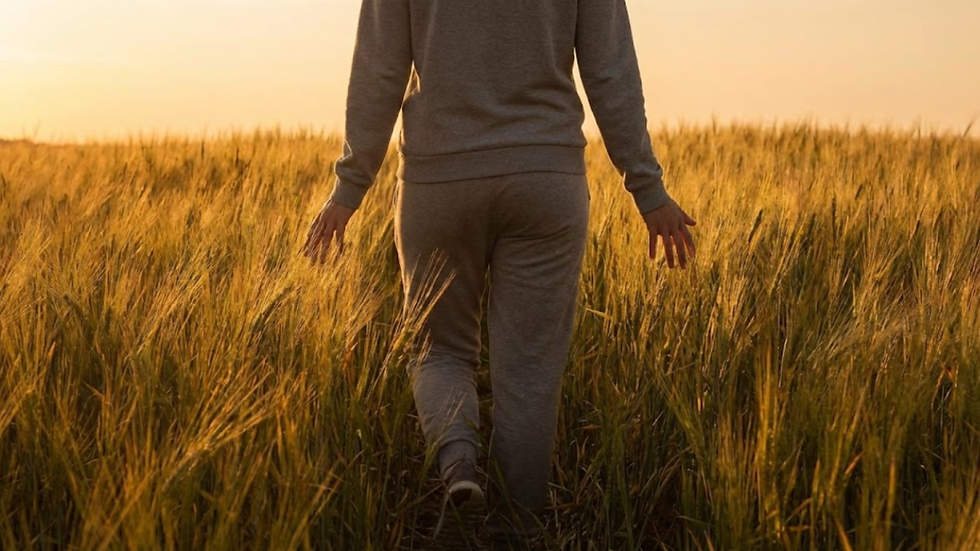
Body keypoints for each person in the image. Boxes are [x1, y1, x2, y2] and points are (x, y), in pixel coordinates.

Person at [303, 0, 696, 545]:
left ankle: (459, 467)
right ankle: (517, 531)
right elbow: (610, 70)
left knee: (439, 350)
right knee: (531, 372)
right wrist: (648, 191)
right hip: (545, 178)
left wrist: (348, 190)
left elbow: (380, 69)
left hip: (439, 182)